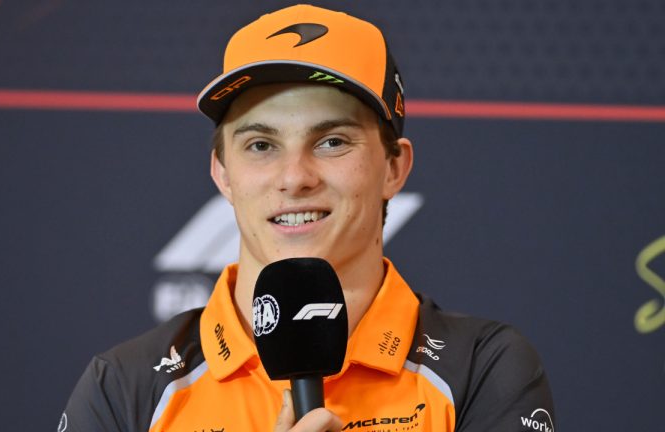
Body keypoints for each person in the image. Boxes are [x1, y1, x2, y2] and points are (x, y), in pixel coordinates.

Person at [60, 5, 555, 432]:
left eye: (332, 141)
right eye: (261, 145)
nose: (295, 177)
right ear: (223, 173)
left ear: (394, 168)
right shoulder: (124, 385)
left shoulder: (482, 368)